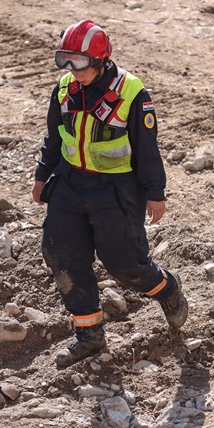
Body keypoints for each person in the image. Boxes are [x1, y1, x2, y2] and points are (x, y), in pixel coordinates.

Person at [31, 19, 188, 368]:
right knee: (62, 256)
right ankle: (89, 336)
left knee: (125, 267)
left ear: (101, 60)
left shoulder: (132, 93)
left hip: (115, 191)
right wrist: (42, 175)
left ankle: (166, 288)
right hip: (70, 185)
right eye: (64, 60)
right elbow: (54, 138)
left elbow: (148, 149)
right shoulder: (64, 90)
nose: (72, 70)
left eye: (80, 62)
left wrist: (155, 193)